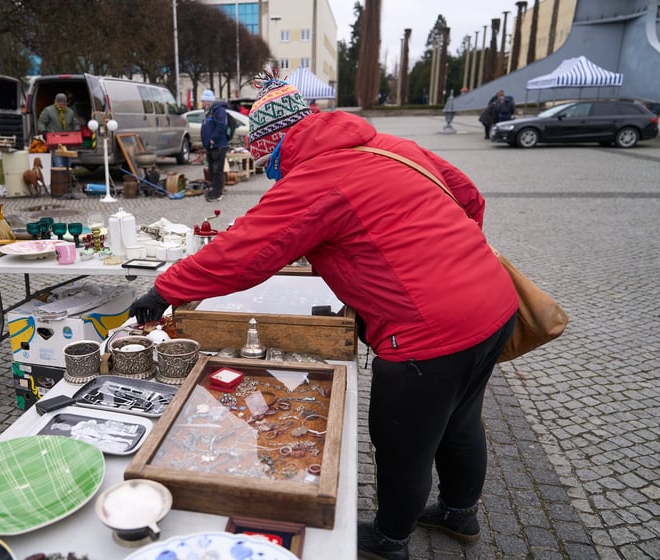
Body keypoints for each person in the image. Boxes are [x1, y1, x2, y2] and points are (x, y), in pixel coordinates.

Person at [129, 69, 519, 560]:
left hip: (428, 332)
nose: (272, 172)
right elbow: (468, 197)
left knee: (404, 444)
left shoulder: (317, 177)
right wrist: (450, 262)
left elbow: (245, 252)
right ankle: (460, 514)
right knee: (461, 421)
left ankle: (391, 539)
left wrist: (164, 289)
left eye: (269, 162)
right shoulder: (392, 146)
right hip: (493, 305)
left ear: (280, 145)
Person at [199, 89, 229, 202]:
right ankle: (214, 190)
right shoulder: (208, 111)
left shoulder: (218, 110)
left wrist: (213, 139)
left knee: (217, 170)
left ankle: (217, 193)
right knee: (212, 170)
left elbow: (222, 125)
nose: (201, 103)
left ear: (208, 101)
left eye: (203, 101)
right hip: (210, 146)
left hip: (218, 145)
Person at [37, 93, 80, 167]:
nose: (62, 104)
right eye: (59, 102)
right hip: (54, 141)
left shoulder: (70, 112)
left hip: (67, 141)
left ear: (66, 103)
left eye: (64, 102)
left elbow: (75, 123)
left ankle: (67, 176)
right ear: (55, 101)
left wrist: (77, 130)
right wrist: (44, 131)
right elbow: (41, 122)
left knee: (68, 163)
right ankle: (59, 175)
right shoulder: (48, 110)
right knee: (58, 162)